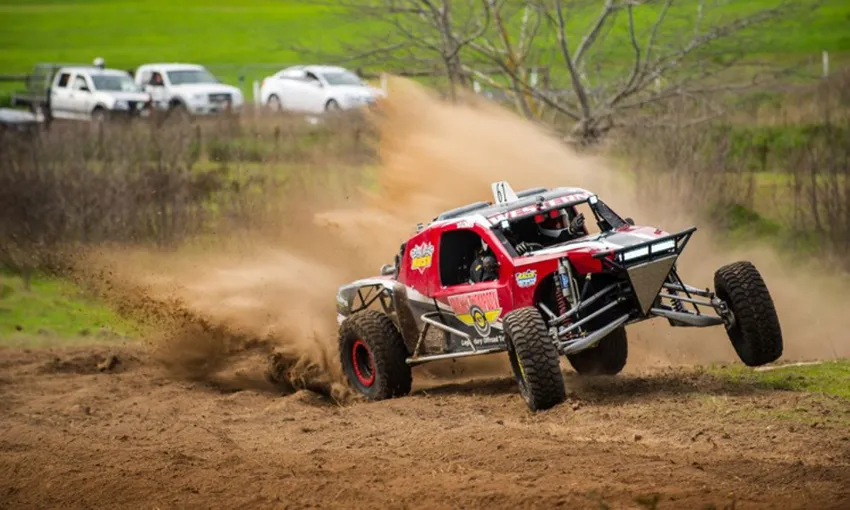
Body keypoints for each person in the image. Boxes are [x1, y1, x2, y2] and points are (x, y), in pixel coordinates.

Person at [514, 208, 586, 255]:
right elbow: (554, 245)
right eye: (554, 223)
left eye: (562, 220)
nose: (558, 225)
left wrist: (571, 231)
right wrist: (518, 251)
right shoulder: (536, 245)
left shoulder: (579, 237)